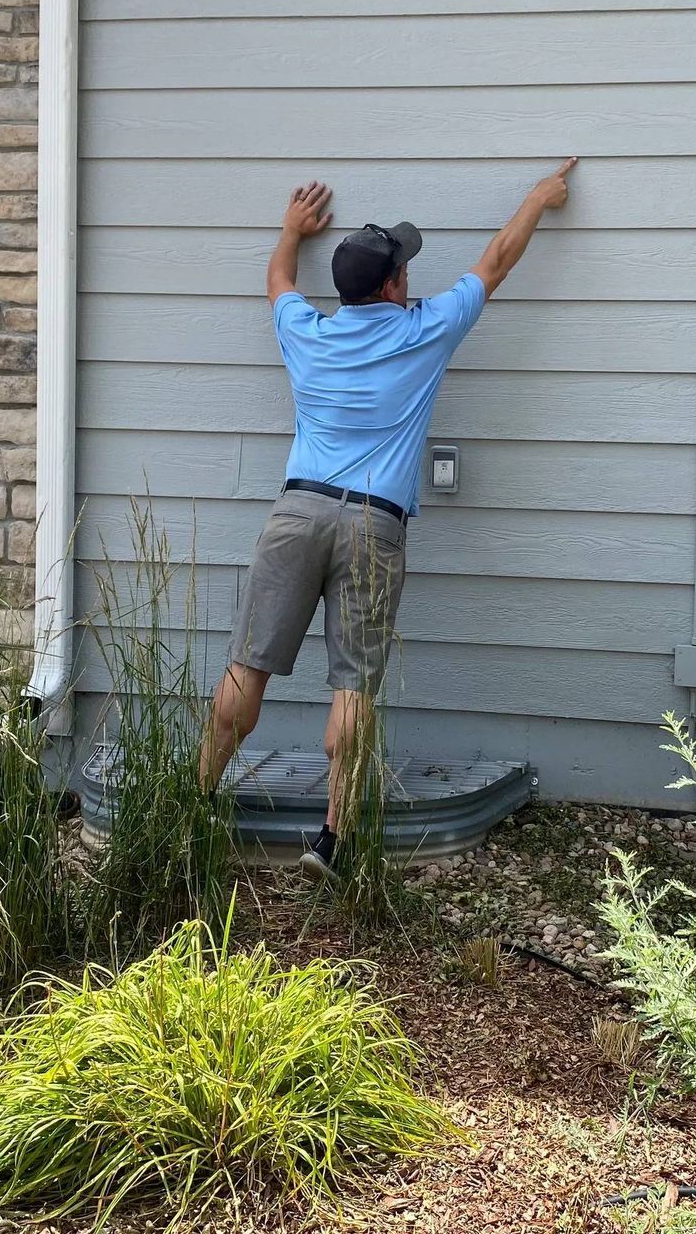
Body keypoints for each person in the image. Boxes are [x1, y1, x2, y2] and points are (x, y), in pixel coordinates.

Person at [199, 158, 579, 879]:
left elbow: (278, 282)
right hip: (374, 524)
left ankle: (192, 802)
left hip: (296, 510)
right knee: (355, 683)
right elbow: (496, 262)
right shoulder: (424, 330)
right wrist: (537, 196)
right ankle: (333, 844)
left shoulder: (307, 331)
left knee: (247, 666)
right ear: (395, 286)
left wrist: (290, 230)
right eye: (404, 266)